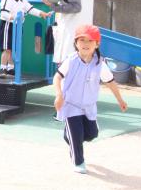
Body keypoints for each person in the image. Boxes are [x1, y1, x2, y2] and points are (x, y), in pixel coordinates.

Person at [54, 24, 127, 174]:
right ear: (76, 43)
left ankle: (69, 136)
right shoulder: (71, 60)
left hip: (88, 106)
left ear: (97, 44)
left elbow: (110, 82)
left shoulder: (100, 64)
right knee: (76, 136)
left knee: (91, 134)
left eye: (90, 41)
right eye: (82, 40)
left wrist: (120, 100)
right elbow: (57, 77)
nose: (85, 44)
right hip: (70, 104)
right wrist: (59, 94)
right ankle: (78, 162)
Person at [0, 0, 51, 78]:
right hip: (8, 26)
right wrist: (13, 17)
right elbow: (3, 13)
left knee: (14, 48)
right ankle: (2, 68)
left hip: (18, 26)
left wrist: (42, 14)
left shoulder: (23, 0)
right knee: (7, 48)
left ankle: (11, 69)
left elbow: (30, 9)